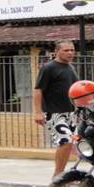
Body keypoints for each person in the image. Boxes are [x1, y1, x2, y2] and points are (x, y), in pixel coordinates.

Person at [32, 40, 78, 178]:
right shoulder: (48, 68)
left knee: (73, 143)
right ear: (57, 52)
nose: (70, 53)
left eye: (72, 50)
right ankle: (58, 175)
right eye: (66, 50)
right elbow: (38, 90)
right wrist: (38, 112)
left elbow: (75, 88)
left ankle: (65, 173)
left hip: (70, 112)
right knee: (65, 141)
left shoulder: (70, 68)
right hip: (54, 113)